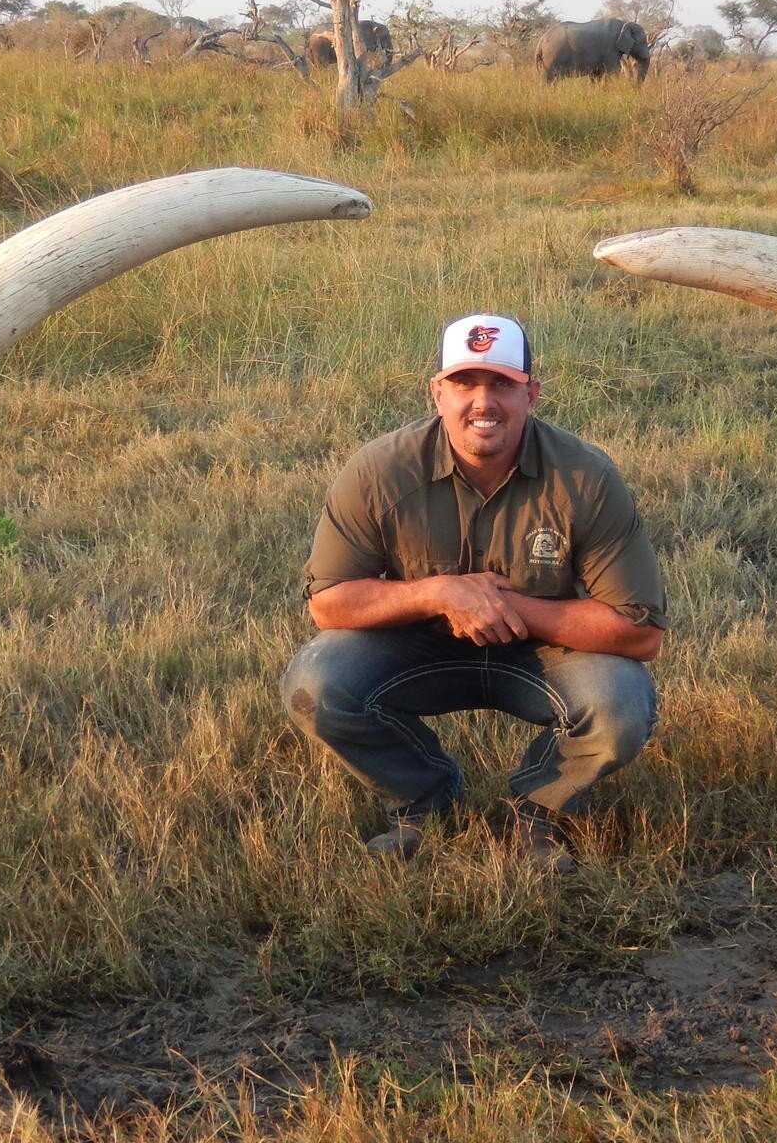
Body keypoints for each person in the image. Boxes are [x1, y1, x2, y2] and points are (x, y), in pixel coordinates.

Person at [281, 312, 668, 872]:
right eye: (463, 382)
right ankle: (427, 801)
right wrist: (440, 593)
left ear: (531, 394)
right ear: (437, 392)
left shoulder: (586, 476)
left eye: (502, 384)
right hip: (417, 647)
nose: (482, 402)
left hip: (540, 652)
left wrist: (503, 605)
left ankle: (538, 813)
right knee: (316, 683)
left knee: (621, 704)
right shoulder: (377, 471)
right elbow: (329, 603)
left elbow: (639, 632)